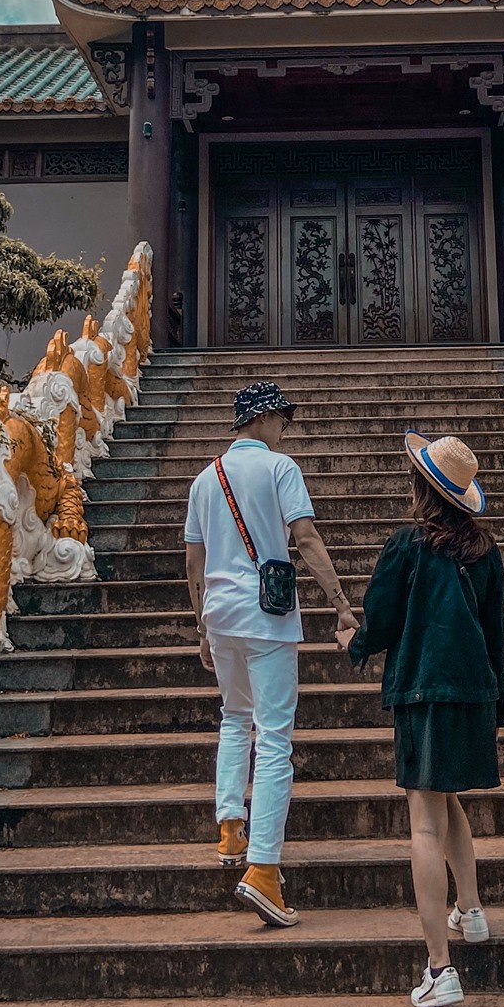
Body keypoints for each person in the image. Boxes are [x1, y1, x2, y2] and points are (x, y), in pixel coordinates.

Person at [184, 379, 358, 928]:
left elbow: (194, 560)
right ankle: (263, 867)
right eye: (282, 417)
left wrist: (201, 625)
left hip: (220, 616)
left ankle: (230, 824)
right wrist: (341, 603)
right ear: (262, 419)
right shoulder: (281, 468)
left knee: (235, 717)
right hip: (268, 617)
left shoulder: (205, 478)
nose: (285, 427)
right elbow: (304, 538)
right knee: (276, 738)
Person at [348, 432, 504, 1007]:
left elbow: (381, 616)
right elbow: (496, 633)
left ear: (421, 487)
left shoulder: (408, 544)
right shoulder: (485, 551)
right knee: (447, 797)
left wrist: (355, 642)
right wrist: (497, 703)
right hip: (473, 690)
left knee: (423, 825)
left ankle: (440, 967)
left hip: (424, 690)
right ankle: (471, 907)